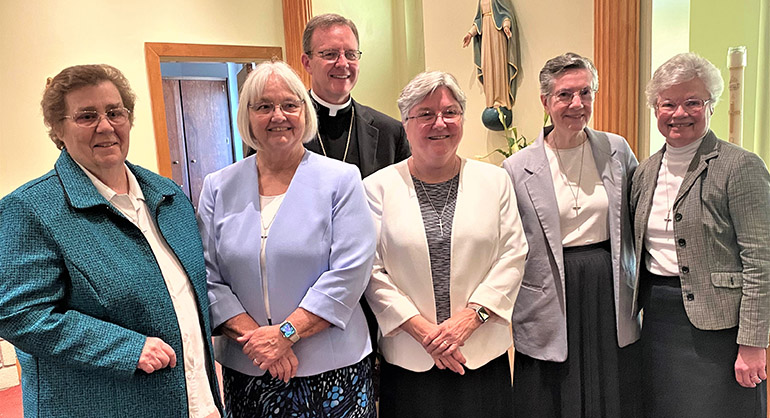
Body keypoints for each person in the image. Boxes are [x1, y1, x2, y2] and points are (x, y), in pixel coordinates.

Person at [0, 64, 222, 418]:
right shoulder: (30, 209)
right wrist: (126, 348)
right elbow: (20, 314)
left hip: (195, 399)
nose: (105, 126)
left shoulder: (167, 195)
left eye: (114, 112)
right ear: (58, 129)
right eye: (87, 116)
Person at [197, 60, 377, 417]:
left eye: (289, 105)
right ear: (248, 117)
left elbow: (350, 272)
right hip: (249, 366)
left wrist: (285, 335)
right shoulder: (218, 186)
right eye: (263, 106)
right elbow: (206, 274)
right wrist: (259, 340)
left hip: (331, 368)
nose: (278, 115)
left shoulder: (341, 180)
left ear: (304, 112)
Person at [364, 70, 528, 418]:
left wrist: (470, 318)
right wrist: (424, 332)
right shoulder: (376, 188)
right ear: (406, 124)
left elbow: (512, 256)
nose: (440, 123)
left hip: (480, 353)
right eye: (425, 114)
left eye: (450, 112)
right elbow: (372, 271)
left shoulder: (495, 181)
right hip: (409, 357)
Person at [630, 52, 769, 418]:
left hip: (721, 329)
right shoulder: (644, 171)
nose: (680, 114)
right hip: (659, 320)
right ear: (655, 108)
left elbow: (761, 260)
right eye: (668, 104)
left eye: (693, 102)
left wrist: (753, 344)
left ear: (711, 106)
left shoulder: (739, 166)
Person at [503, 52, 641, 418]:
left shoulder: (617, 149)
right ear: (546, 101)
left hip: (608, 286)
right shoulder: (516, 168)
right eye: (565, 95)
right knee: (553, 395)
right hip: (549, 291)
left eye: (585, 93)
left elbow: (637, 216)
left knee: (611, 387)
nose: (576, 104)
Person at [300, 13, 410, 178]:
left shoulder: (391, 133)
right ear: (307, 63)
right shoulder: (283, 127)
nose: (343, 64)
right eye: (330, 54)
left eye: (351, 54)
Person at [462, 0, 521, 110]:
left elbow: (505, 14)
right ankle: (491, 99)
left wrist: (506, 26)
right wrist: (470, 34)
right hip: (485, 35)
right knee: (487, 66)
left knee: (498, 65)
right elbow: (479, 20)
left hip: (497, 34)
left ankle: (501, 98)